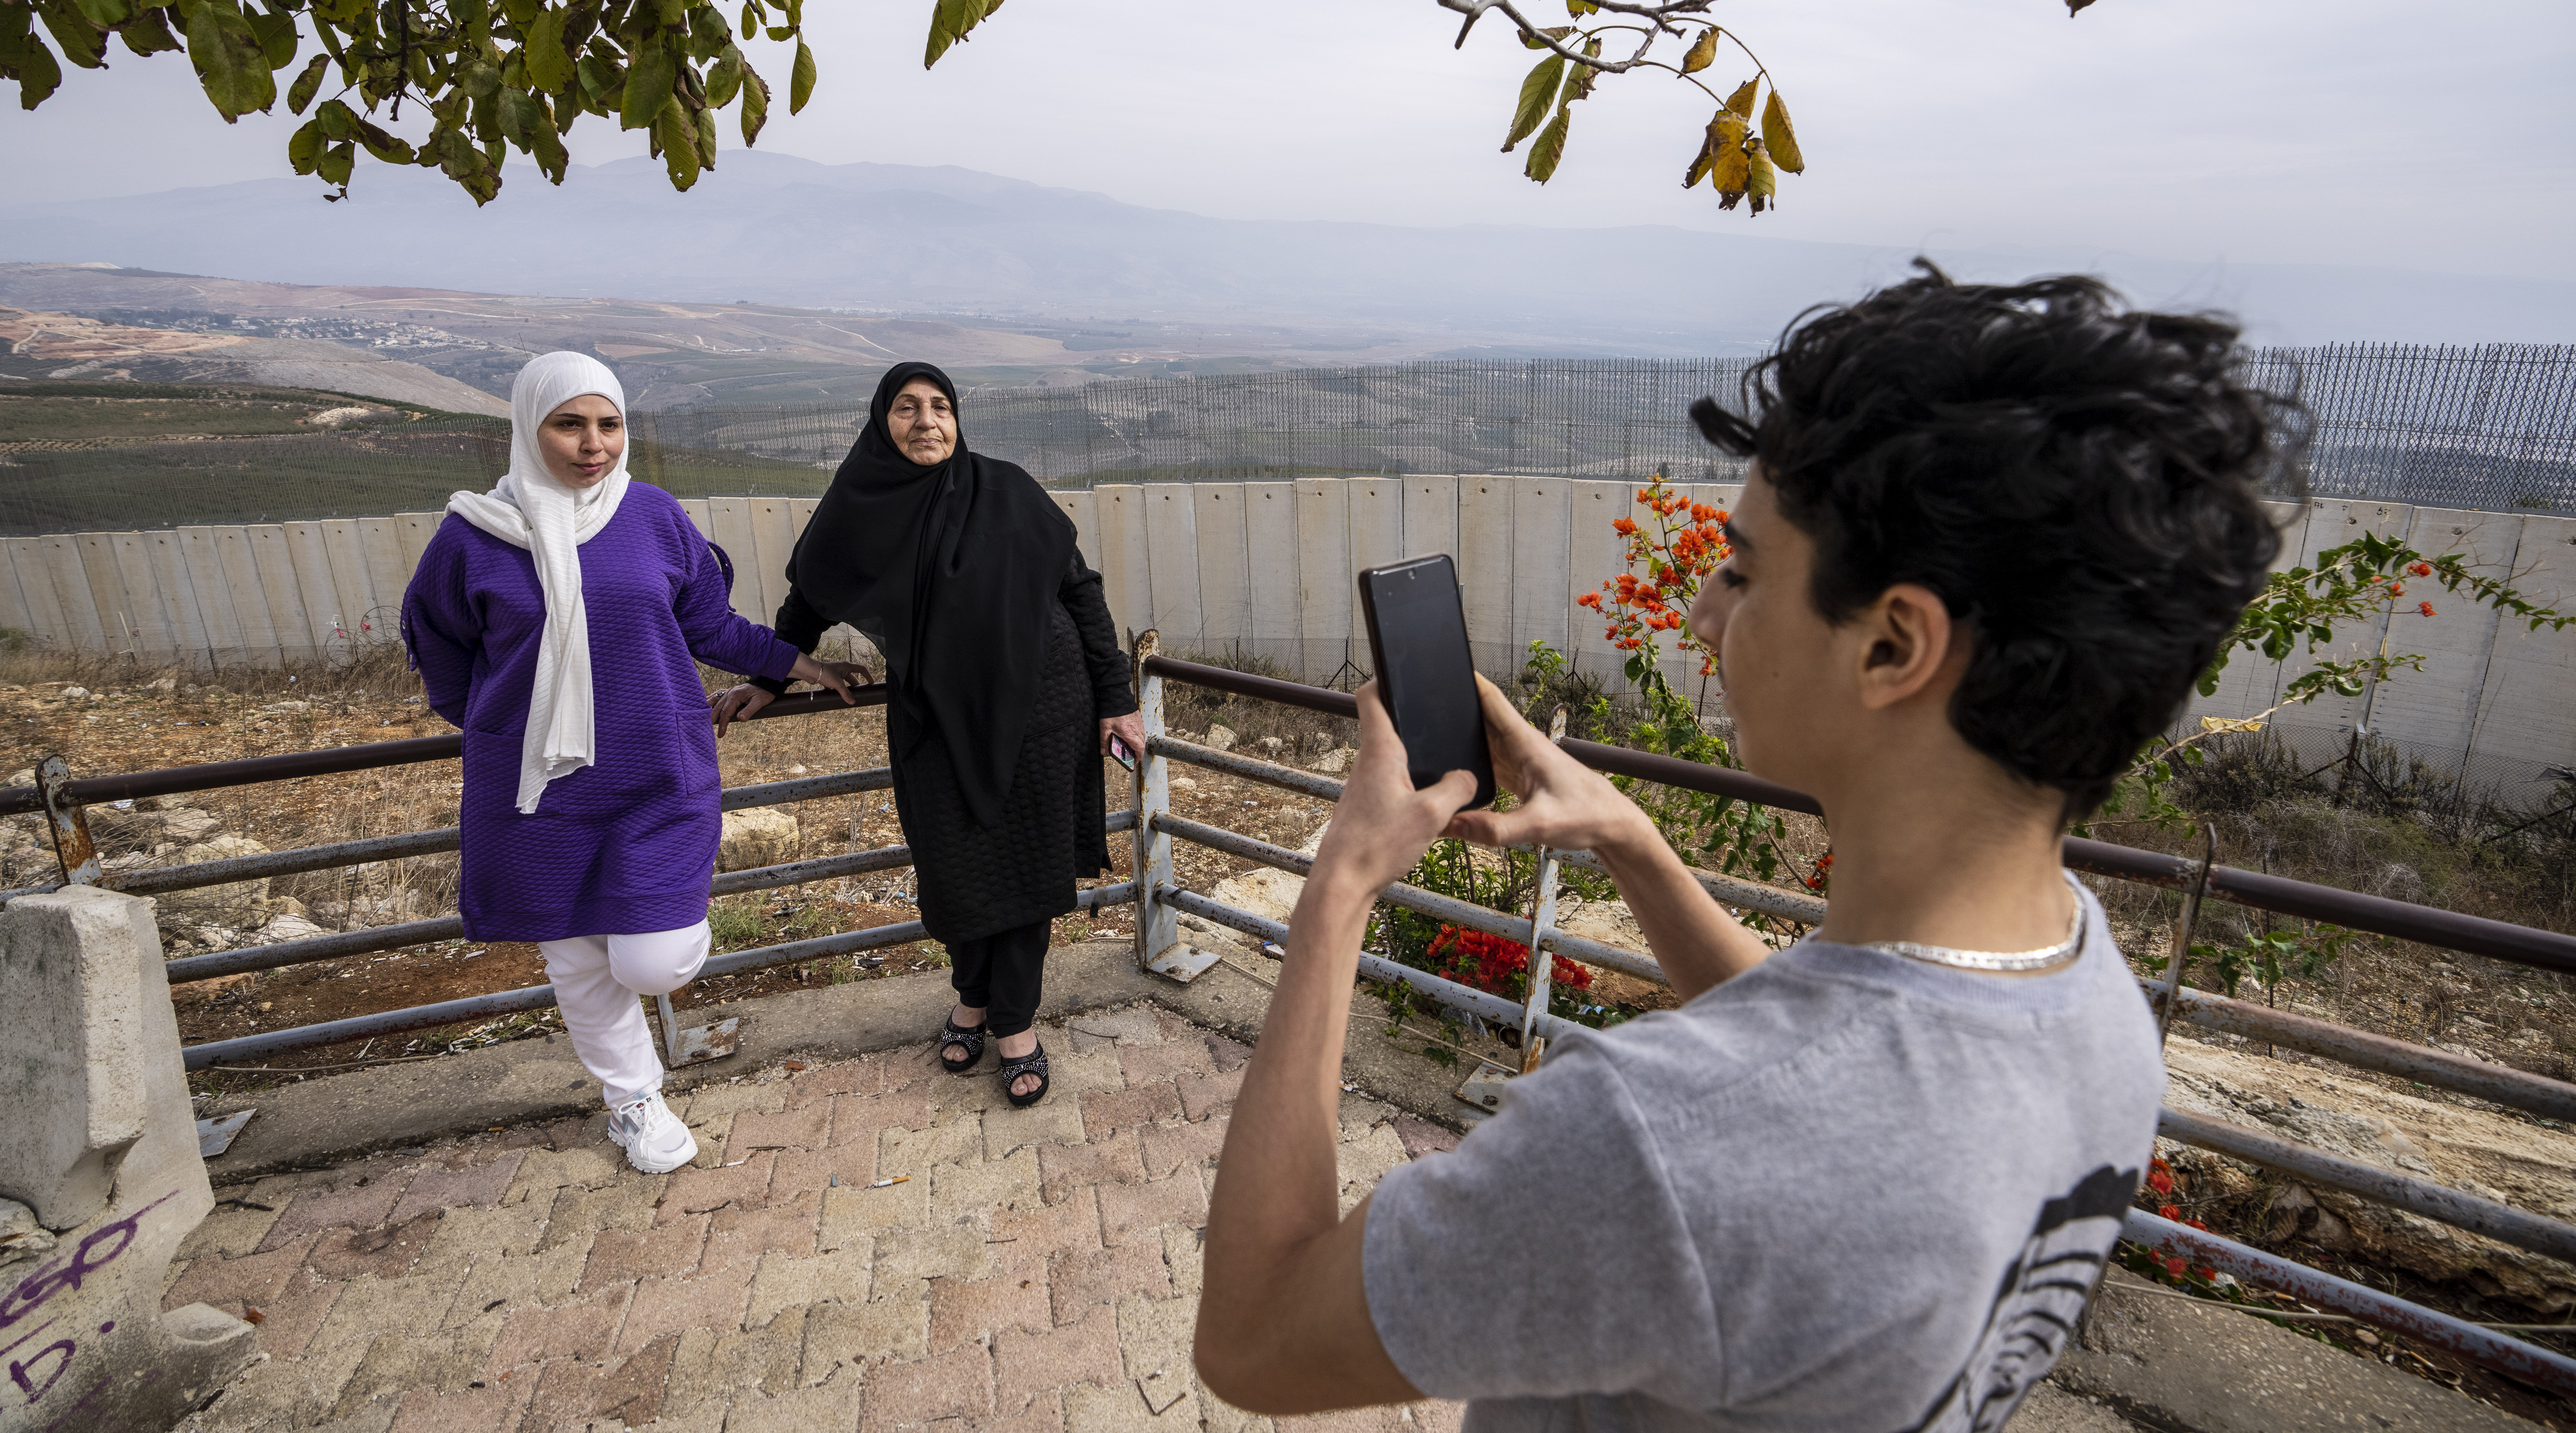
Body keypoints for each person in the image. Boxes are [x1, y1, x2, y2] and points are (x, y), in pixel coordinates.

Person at [1193, 268, 2303, 1430]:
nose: (1706, 614)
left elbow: (1256, 1341)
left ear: (1893, 645)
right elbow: (1841, 1061)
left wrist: (1339, 887)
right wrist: (1633, 841)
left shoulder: (1655, 1148)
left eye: (1745, 570)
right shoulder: (2089, 998)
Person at [403, 352, 860, 1174]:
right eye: (569, 425)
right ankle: (634, 1102)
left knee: (654, 959)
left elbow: (709, 625)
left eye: (608, 425)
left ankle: (642, 1011)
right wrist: (514, 729)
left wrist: (798, 666)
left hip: (658, 770)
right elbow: (443, 662)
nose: (593, 445)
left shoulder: (649, 516)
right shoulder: (471, 539)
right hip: (538, 791)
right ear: (528, 428)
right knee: (577, 960)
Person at [713, 362, 1145, 1107]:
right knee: (956, 868)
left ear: (958, 418)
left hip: (1044, 709)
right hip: (933, 719)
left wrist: (1117, 697)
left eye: (941, 407)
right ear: (883, 421)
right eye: (908, 408)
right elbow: (808, 597)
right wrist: (773, 676)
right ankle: (972, 997)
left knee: (1027, 873)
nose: (927, 422)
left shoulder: (1006, 489)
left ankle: (1009, 1024)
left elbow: (1080, 591)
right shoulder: (858, 508)